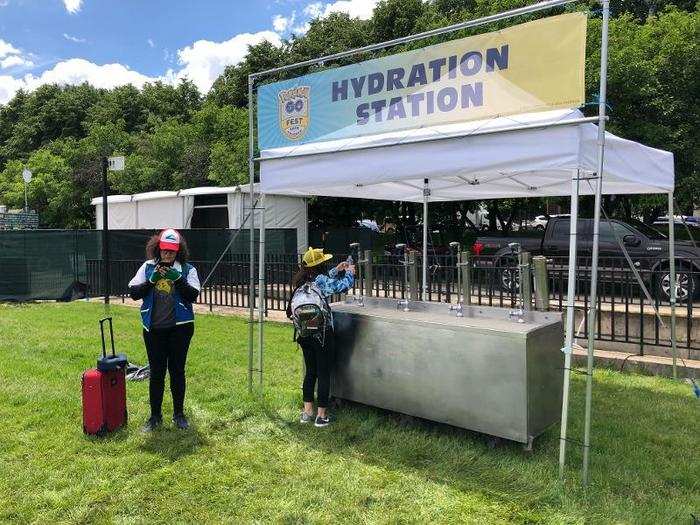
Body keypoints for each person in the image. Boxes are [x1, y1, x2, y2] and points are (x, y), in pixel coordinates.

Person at [128, 228, 200, 432]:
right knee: (157, 372)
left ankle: (179, 415)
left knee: (177, 371)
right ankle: (155, 417)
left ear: (178, 251)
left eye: (172, 251)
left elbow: (192, 296)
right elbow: (134, 293)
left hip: (181, 329)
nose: (167, 255)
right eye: (164, 250)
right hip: (154, 329)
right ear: (157, 249)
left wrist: (177, 278)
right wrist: (151, 281)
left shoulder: (187, 269)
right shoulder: (148, 267)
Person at [287, 247, 355, 428]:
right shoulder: (321, 281)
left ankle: (307, 412)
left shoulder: (300, 282)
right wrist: (349, 273)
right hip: (322, 335)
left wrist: (337, 270)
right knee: (323, 373)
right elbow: (342, 286)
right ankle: (322, 416)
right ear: (320, 265)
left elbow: (325, 280)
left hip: (304, 334)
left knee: (311, 372)